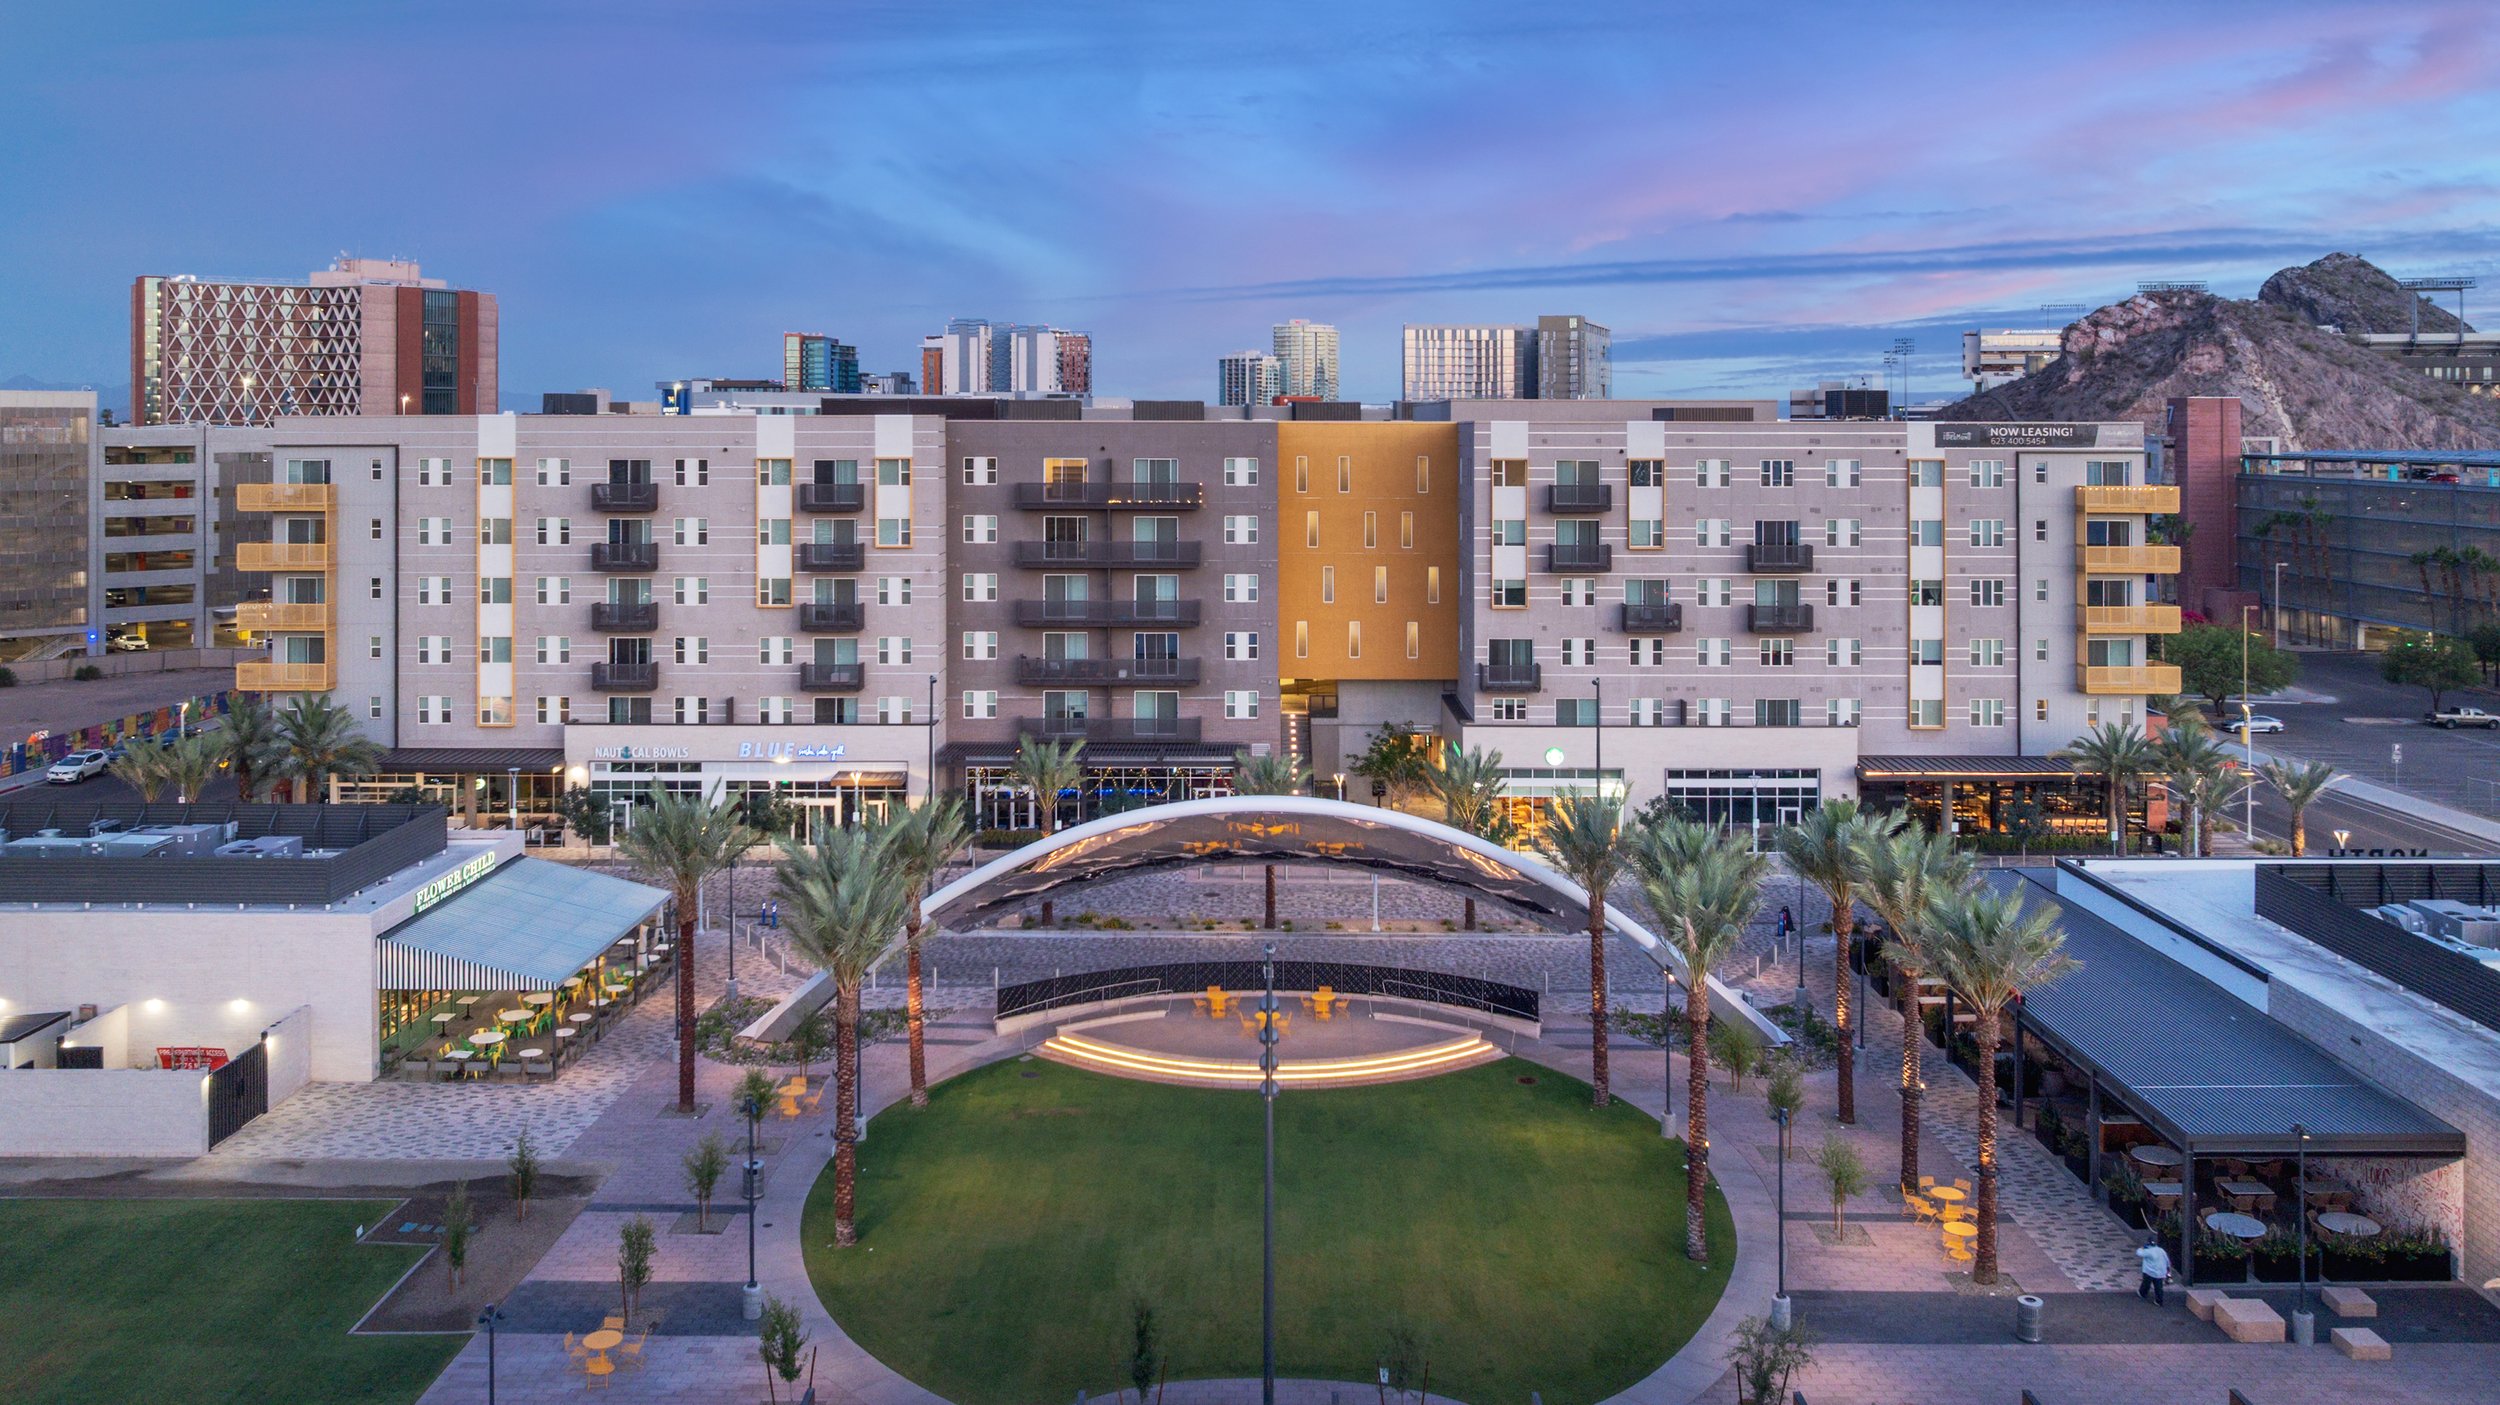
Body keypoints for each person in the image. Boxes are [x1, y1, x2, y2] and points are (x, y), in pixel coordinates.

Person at [2136, 1235, 2173, 1305]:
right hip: (2160, 1272)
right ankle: (2159, 1301)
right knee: (2158, 1287)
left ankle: (2142, 1293)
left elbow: (2138, 1252)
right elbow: (2167, 1260)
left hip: (2149, 1271)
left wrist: (2142, 1247)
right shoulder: (2161, 1250)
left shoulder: (2148, 1251)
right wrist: (2168, 1270)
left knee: (2146, 1283)